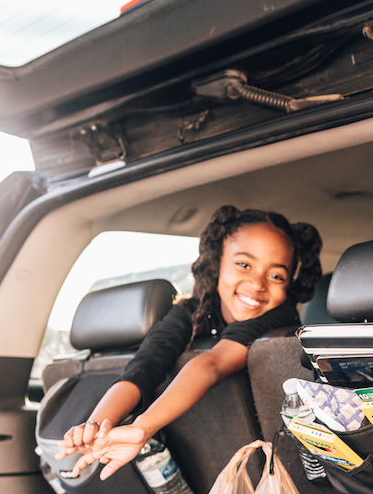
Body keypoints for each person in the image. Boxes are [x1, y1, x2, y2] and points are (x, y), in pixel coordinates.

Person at [57, 205, 322, 479]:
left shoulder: (281, 315)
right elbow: (146, 364)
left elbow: (213, 363)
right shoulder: (192, 311)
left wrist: (143, 426)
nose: (257, 283)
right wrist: (97, 425)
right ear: (217, 262)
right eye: (244, 264)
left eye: (276, 275)